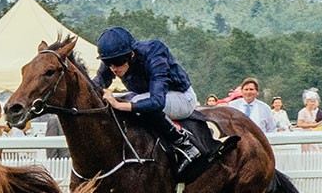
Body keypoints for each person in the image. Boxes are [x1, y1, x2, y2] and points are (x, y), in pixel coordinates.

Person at [91, 26, 231, 182]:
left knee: (133, 102)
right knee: (118, 98)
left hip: (181, 97)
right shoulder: (114, 57)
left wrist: (119, 105)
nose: (113, 68)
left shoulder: (154, 52)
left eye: (117, 63)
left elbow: (157, 101)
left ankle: (185, 145)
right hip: (146, 95)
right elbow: (96, 85)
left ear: (131, 54)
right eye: (108, 63)